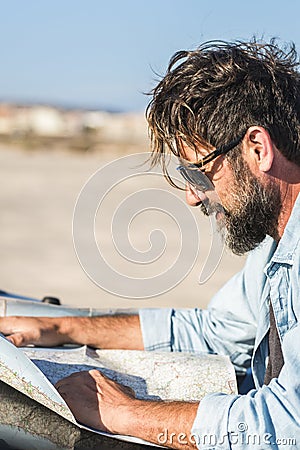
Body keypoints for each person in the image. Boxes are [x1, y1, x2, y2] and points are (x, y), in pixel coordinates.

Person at [1, 39, 300, 449]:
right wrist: (60, 327)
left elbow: (288, 427)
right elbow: (219, 332)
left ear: (257, 148)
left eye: (199, 173)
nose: (193, 196)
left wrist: (124, 412)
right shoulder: (275, 241)